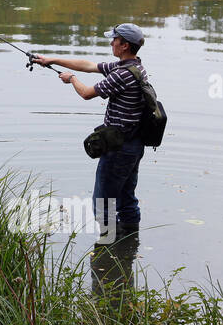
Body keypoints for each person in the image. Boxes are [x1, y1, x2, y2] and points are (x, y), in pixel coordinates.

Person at [32, 23, 148, 240]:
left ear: (124, 45)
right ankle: (129, 245)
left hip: (119, 148)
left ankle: (108, 248)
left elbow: (86, 93)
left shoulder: (121, 74)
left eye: (115, 40)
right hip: (134, 144)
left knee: (103, 202)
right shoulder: (135, 67)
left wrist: (71, 79)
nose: (111, 42)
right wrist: (51, 60)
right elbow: (89, 65)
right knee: (126, 197)